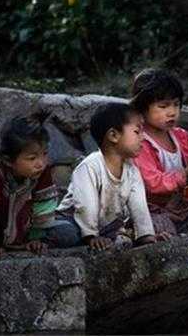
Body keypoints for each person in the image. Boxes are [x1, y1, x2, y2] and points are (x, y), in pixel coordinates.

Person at [52, 103, 161, 250]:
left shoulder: (132, 171)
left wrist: (146, 235)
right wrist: (91, 235)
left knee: (126, 239)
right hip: (74, 220)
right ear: (113, 135)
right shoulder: (90, 166)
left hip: (105, 226)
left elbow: (139, 206)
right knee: (66, 234)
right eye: (137, 132)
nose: (143, 138)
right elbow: (86, 205)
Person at [130, 68, 188, 235]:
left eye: (176, 104)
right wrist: (186, 175)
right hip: (153, 213)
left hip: (183, 210)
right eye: (163, 106)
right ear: (142, 108)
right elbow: (152, 183)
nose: (172, 112)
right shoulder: (140, 142)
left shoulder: (181, 136)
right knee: (168, 239)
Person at [0, 116, 58, 259]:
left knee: (66, 234)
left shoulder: (41, 171)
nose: (41, 163)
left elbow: (44, 204)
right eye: (32, 158)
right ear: (8, 160)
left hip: (21, 227)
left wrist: (37, 238)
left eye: (44, 154)